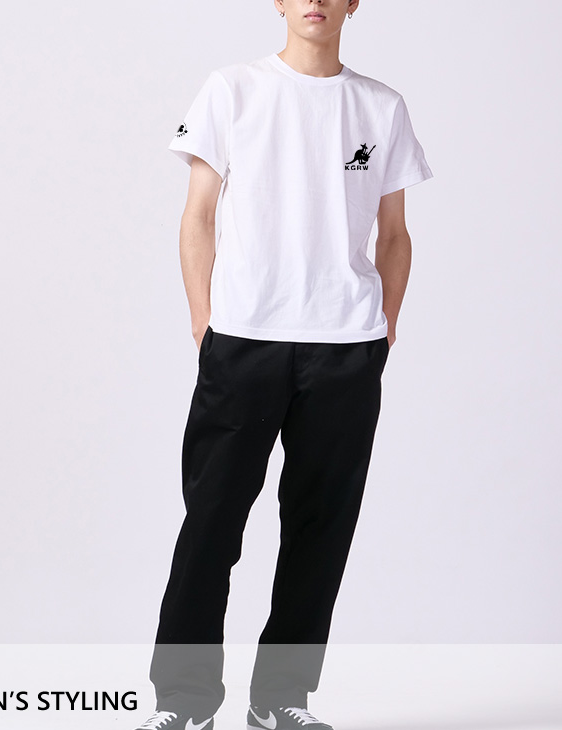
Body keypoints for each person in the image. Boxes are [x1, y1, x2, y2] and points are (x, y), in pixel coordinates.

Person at [135, 1, 433, 728]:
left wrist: (384, 327)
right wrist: (204, 320)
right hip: (244, 339)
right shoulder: (233, 89)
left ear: (354, 3)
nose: (315, 0)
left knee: (321, 528)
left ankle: (280, 701)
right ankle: (185, 703)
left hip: (346, 347)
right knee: (211, 522)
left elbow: (395, 233)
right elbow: (198, 214)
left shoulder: (381, 107)